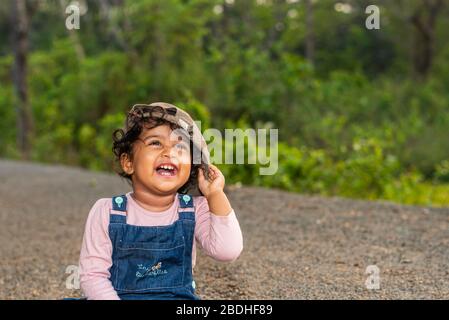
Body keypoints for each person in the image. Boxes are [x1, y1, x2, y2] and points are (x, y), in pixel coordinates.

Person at [78, 102, 243, 300]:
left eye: (180, 146)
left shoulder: (193, 209)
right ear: (128, 162)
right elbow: (93, 276)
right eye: (156, 143)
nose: (169, 152)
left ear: (191, 167)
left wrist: (215, 194)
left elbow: (228, 251)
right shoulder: (107, 211)